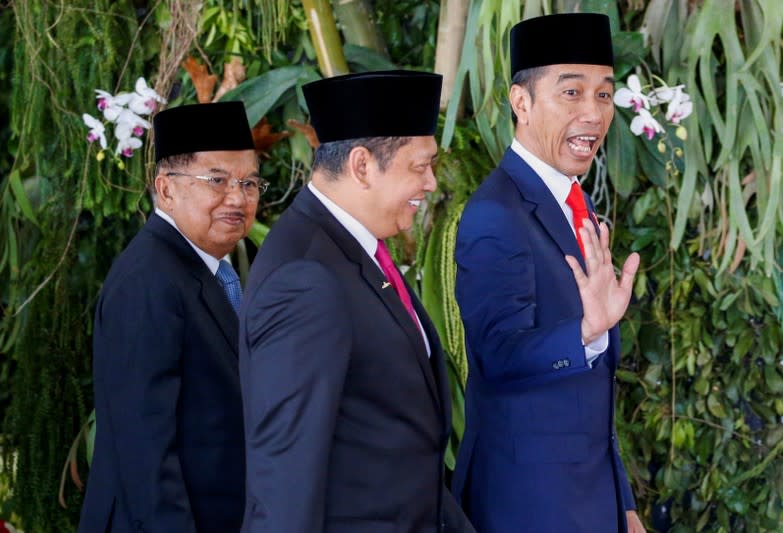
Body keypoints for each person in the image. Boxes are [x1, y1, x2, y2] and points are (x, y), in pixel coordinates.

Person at [239, 71, 474, 533]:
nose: (430, 183)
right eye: (418, 166)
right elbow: (284, 478)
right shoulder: (304, 278)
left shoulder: (356, 250)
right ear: (363, 166)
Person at [451, 13, 646, 533]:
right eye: (572, 93)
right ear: (521, 102)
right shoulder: (497, 212)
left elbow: (593, 393)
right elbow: (497, 352)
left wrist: (621, 502)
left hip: (590, 500)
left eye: (604, 95)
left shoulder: (572, 203)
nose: (593, 113)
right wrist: (585, 332)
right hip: (528, 504)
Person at [79, 101, 264, 532]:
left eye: (250, 183)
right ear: (166, 190)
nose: (237, 198)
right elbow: (144, 445)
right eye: (216, 180)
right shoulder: (148, 280)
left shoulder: (205, 269)